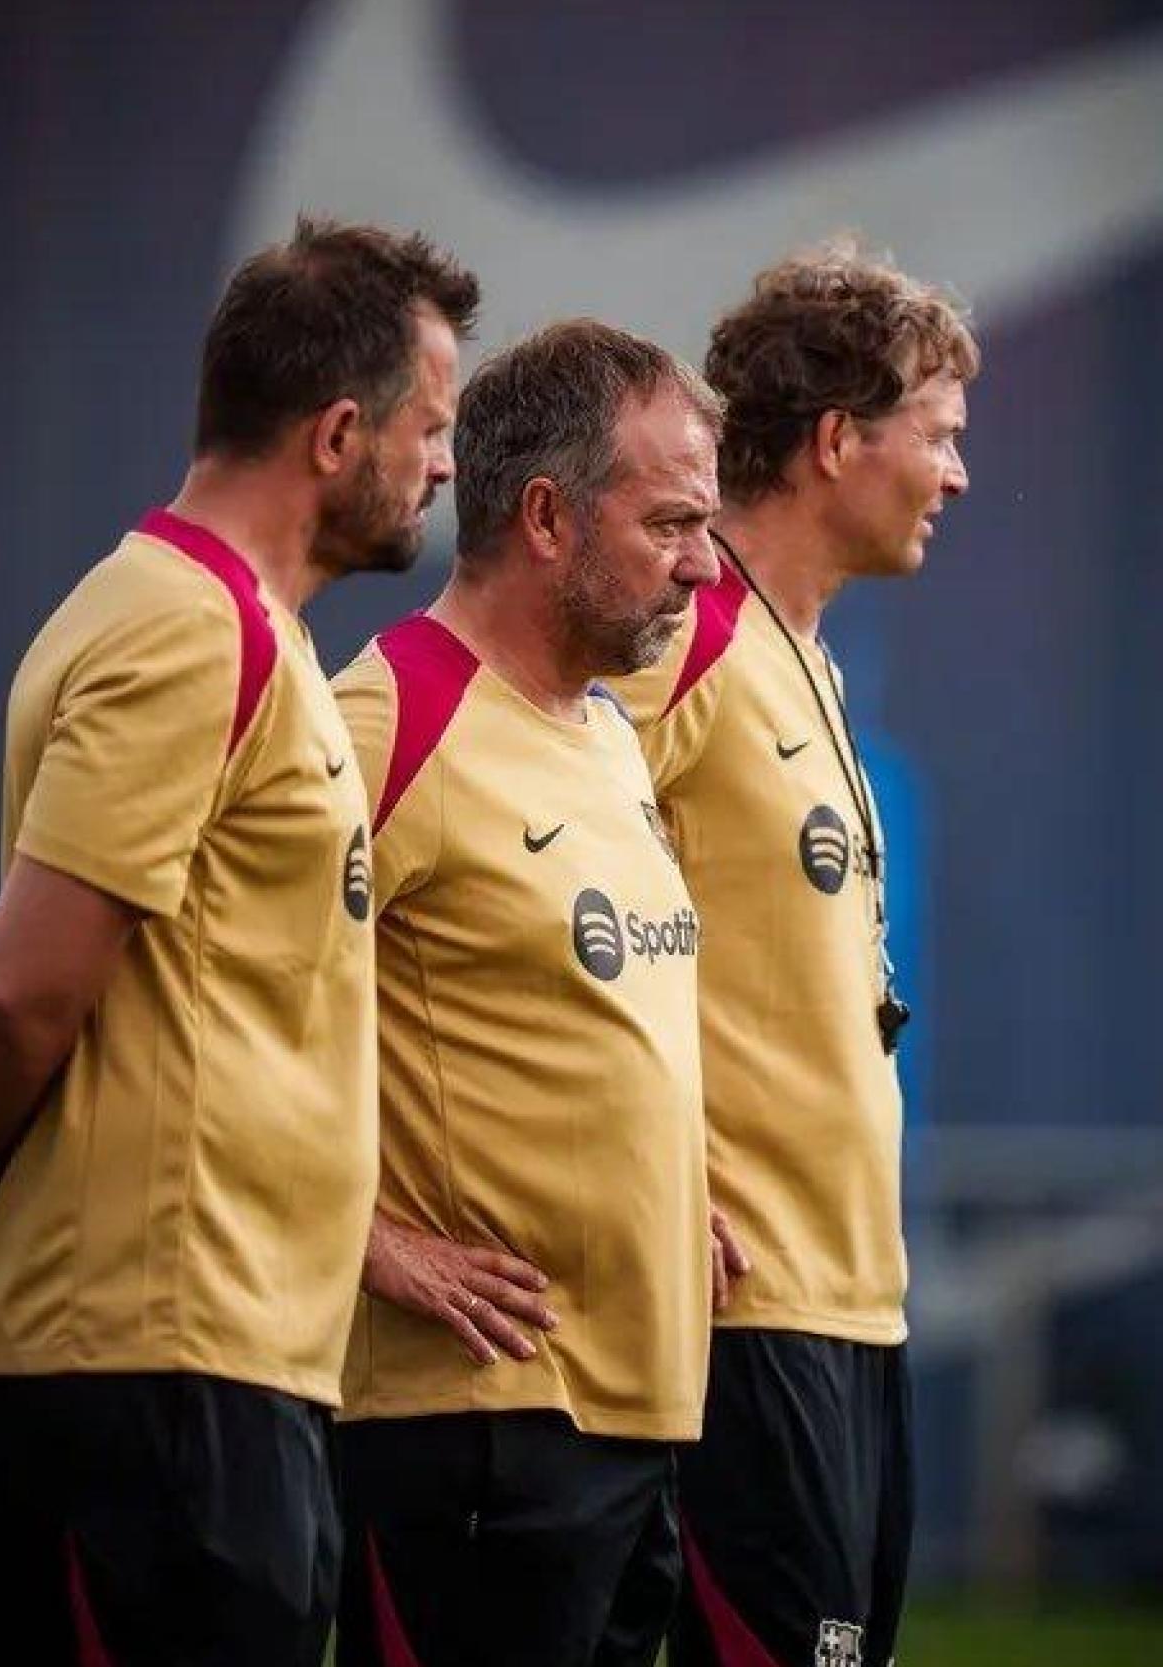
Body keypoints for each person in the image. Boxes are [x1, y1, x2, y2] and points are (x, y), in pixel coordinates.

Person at [0, 216, 478, 1666]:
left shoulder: (260, 638)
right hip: (142, 1375)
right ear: (338, 432)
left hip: (228, 1374)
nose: (444, 466)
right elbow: (16, 991)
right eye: (430, 428)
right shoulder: (186, 630)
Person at [330, 320, 723, 1667]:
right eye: (671, 521)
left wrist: (674, 1188)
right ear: (546, 514)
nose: (700, 565)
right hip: (475, 1427)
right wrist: (367, 1239)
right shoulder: (385, 717)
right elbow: (182, 1000)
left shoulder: (610, 732)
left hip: (641, 1413)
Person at [612, 245, 978, 1667]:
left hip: (850, 1304)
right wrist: (650, 1171)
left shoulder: (805, 663)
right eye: (938, 437)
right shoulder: (682, 638)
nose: (956, 476)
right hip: (744, 1311)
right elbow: (506, 899)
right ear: (838, 441)